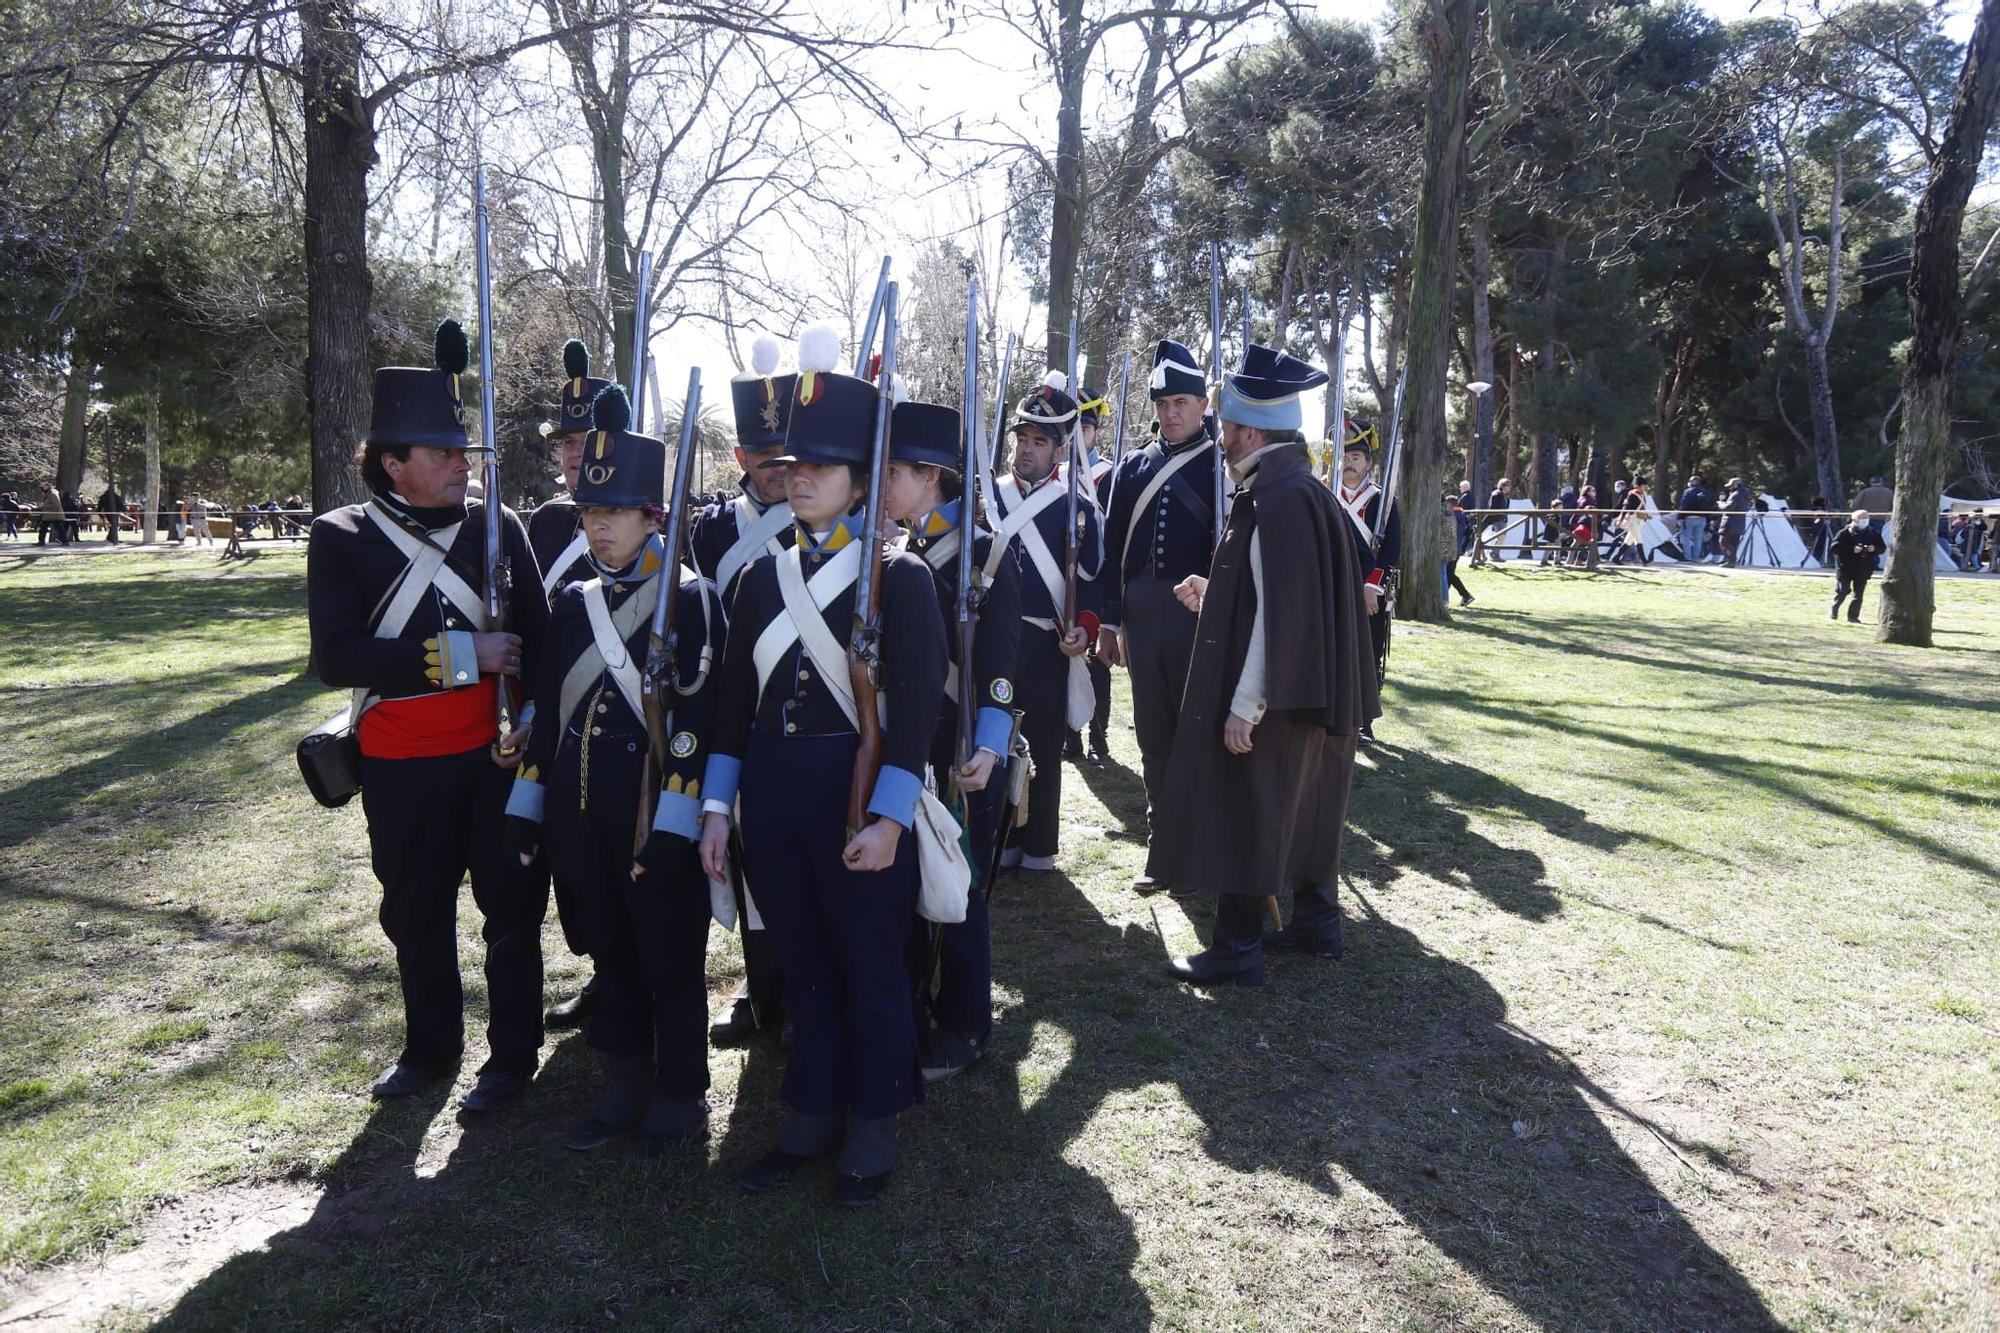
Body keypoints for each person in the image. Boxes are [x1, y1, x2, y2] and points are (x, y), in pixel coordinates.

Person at [694, 325, 946, 1208]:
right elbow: (732, 706)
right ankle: (807, 1114)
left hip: (856, 796)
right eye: (795, 463)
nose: (799, 477)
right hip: (772, 796)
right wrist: (716, 809)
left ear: (860, 480)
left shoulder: (900, 579)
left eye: (823, 466)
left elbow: (915, 719)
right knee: (801, 962)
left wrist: (888, 818)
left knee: (870, 965)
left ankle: (873, 1124)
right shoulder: (757, 579)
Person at [305, 320, 552, 1111]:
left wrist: (534, 716)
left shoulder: (498, 525)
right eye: (442, 454)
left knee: (511, 908)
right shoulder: (341, 537)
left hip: (495, 755)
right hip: (402, 761)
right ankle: (430, 1049)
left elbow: (539, 640)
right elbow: (339, 656)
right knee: (416, 911)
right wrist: (460, 657)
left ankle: (513, 1055)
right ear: (392, 462)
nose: (460, 466)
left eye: (463, 454)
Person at [501, 386, 724, 1155]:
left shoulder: (691, 601)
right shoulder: (573, 602)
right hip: (580, 810)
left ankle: (680, 1088)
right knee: (611, 952)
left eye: (614, 513)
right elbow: (549, 715)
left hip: (653, 815)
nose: (596, 526)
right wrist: (528, 807)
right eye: (589, 512)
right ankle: (626, 1075)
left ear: (653, 518)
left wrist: (673, 823)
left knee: (669, 958)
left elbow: (698, 724)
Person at [1147, 343, 1378, 986]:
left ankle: (1238, 948)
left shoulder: (1278, 501)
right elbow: (1273, 594)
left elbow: (1281, 616)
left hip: (1273, 694)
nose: (1220, 438)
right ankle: (1316, 923)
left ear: (1249, 431)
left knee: (1249, 806)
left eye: (1225, 427)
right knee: (1306, 806)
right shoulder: (1295, 491)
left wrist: (1246, 705)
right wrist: (1214, 595)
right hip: (1303, 690)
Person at [882, 397, 1021, 1081]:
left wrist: (989, 748)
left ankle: (966, 1022)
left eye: (894, 472)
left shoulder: (987, 554)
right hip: (915, 743)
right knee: (916, 883)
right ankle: (916, 1004)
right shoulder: (901, 549)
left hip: (966, 749)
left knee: (963, 895)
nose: (882, 484)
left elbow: (1000, 670)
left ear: (930, 476)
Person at [687, 333, 799, 1050]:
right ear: (741, 459)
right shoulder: (710, 531)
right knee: (741, 860)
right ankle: (762, 993)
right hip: (727, 712)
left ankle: (797, 991)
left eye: (787, 455)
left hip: (793, 711)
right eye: (763, 457)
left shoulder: (822, 527)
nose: (777, 470)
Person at [1096, 339, 1225, 896]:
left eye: (1181, 402)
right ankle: (1161, 847)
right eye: (1162, 403)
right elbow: (1110, 549)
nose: (1170, 413)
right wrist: (1108, 622)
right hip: (1143, 620)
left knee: (1196, 732)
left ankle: (1201, 846)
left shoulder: (1221, 468)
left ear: (1202, 405)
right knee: (1152, 734)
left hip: (1200, 620)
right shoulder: (1132, 469)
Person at [524, 339, 612, 1033]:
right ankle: (598, 970)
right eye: (566, 442)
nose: (574, 453)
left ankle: (624, 977)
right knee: (571, 864)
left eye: (586, 439)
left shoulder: (655, 516)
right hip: (556, 720)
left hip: (625, 721)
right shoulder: (550, 522)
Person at [989, 372, 1100, 874]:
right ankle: (1001, 839)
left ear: (1059, 450)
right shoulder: (990, 497)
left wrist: (1087, 628)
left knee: (1045, 746)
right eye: (1023, 439)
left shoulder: (1075, 503)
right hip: (995, 639)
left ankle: (1038, 847)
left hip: (1046, 641)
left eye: (1039, 441)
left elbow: (1095, 579)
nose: (1028, 450)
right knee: (996, 741)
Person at [1335, 421, 1400, 731]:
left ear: (1368, 463)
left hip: (1366, 591)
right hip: (1331, 588)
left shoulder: (1381, 500)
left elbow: (1391, 550)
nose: (1349, 464)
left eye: (1356, 458)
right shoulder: (1324, 493)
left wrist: (1372, 585)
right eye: (1344, 457)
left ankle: (1364, 721)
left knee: (1367, 655)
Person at [1064, 384, 1113, 766]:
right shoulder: (1059, 475)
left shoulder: (1108, 475)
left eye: (1086, 427)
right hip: (1064, 577)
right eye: (1074, 426)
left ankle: (1099, 736)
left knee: (1097, 663)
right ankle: (1071, 737)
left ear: (1096, 432)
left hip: (1099, 576)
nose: (1079, 434)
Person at [1829, 508, 1884, 622]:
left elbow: (1882, 547)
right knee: (1843, 590)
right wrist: (1852, 549)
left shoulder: (1873, 533)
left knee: (1858, 594)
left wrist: (1874, 548)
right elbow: (1834, 548)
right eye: (1861, 519)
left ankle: (1853, 617)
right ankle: (1835, 608)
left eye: (1866, 519)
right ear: (1854, 520)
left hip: (1863, 567)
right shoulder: (1844, 533)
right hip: (1845, 567)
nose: (1864, 522)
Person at [1442, 494, 1474, 604]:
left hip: (1449, 548)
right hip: (1458, 549)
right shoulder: (1463, 517)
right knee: (1449, 574)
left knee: (1448, 574)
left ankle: (1465, 595)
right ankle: (1461, 596)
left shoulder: (1451, 516)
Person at [1677, 473, 1716, 563]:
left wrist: (1680, 517)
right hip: (1702, 519)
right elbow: (1710, 506)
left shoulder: (1689, 491)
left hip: (1689, 518)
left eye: (1690, 481)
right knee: (1698, 538)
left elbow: (1683, 504)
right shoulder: (1706, 492)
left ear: (1694, 481)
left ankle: (1688, 557)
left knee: (1686, 537)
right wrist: (1709, 519)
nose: (1689, 482)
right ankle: (1696, 558)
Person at [1476, 476, 1512, 564]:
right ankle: (1492, 554)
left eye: (1510, 485)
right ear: (1503, 485)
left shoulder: (1504, 496)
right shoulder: (1497, 494)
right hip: (1497, 518)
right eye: (1508, 485)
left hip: (1501, 519)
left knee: (1501, 537)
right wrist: (1496, 518)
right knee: (1500, 536)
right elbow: (1492, 508)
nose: (1509, 487)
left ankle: (1494, 553)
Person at [1717, 478, 1751, 567]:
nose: (1730, 488)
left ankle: (1730, 559)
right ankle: (1730, 560)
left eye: (1731, 486)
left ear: (1736, 485)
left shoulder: (1735, 495)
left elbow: (1728, 508)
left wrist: (1720, 504)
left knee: (1724, 541)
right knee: (1733, 543)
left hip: (1730, 523)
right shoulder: (1745, 495)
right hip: (1740, 523)